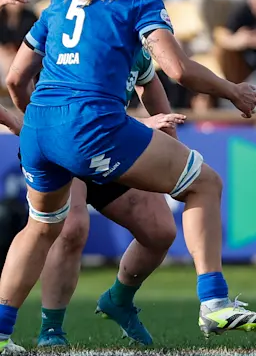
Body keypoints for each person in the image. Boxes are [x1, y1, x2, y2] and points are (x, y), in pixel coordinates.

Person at [0, 0, 256, 353]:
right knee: (205, 183)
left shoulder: (60, 0)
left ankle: (1, 332)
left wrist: (44, 125)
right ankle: (215, 302)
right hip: (92, 126)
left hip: (41, 128)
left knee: (42, 227)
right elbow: (178, 70)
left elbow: (15, 78)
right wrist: (233, 90)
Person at [4, 46, 184, 348]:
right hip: (63, 141)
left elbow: (149, 81)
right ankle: (51, 330)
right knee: (69, 227)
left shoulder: (128, 31)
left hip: (107, 144)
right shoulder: (70, 24)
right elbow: (19, 79)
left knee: (159, 231)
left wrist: (170, 142)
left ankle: (119, 299)